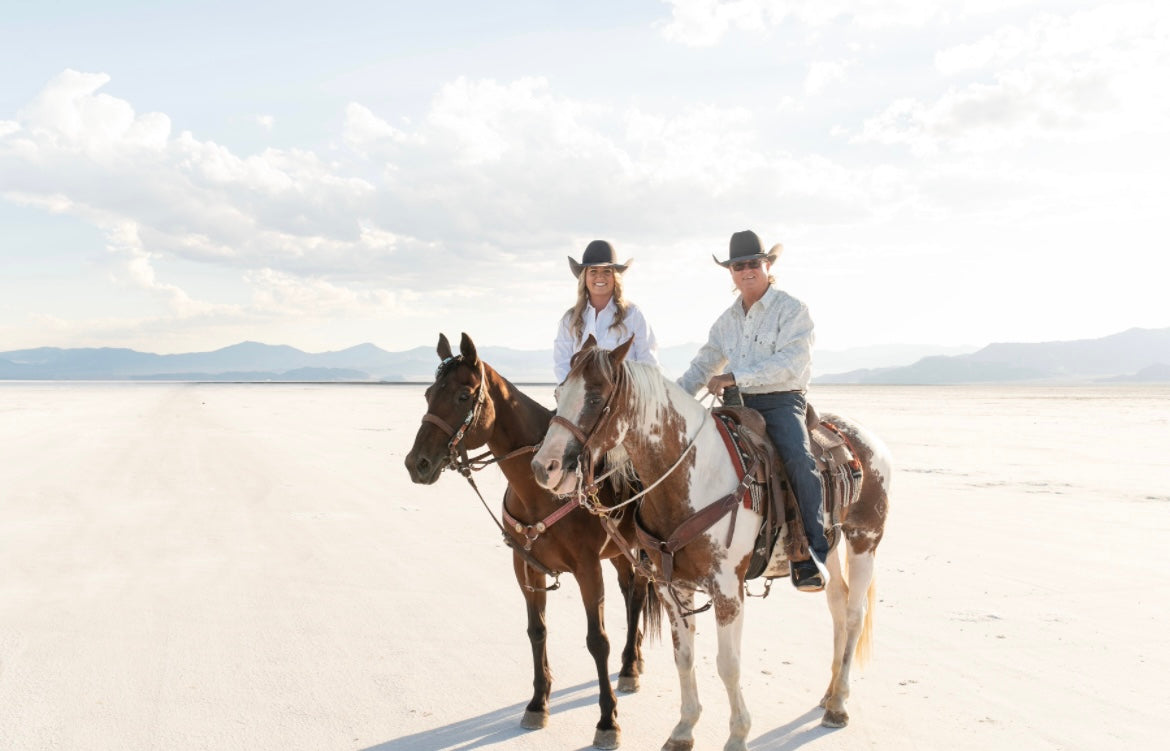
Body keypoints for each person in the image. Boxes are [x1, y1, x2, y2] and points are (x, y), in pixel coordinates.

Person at [677, 230, 829, 592]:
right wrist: (672, 399)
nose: (746, 270)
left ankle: (811, 553)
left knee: (798, 459)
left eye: (753, 264)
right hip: (736, 405)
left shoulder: (792, 310)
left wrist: (735, 376)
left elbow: (791, 362)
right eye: (738, 265)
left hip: (781, 401)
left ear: (767, 266)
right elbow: (703, 366)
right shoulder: (726, 321)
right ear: (731, 272)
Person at [554, 240, 660, 382]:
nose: (600, 276)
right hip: (580, 393)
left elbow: (648, 363)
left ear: (615, 277)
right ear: (585, 277)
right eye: (593, 271)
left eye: (607, 271)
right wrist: (571, 391)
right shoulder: (570, 319)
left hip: (626, 393)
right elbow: (562, 364)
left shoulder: (633, 315)